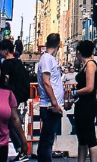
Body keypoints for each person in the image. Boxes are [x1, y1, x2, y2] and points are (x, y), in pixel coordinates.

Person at [35, 34, 65, 162]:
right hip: (49, 106)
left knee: (48, 139)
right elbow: (47, 82)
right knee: (47, 140)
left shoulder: (50, 59)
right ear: (58, 44)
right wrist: (54, 104)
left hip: (51, 105)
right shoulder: (47, 59)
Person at [72, 40, 97, 162]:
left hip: (88, 104)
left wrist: (75, 92)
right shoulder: (85, 65)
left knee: (89, 136)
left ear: (79, 51)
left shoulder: (90, 65)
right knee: (82, 138)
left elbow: (89, 87)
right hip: (82, 103)